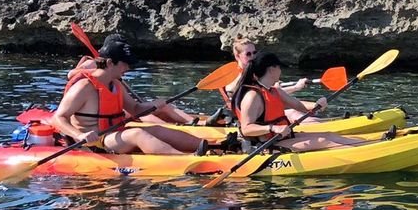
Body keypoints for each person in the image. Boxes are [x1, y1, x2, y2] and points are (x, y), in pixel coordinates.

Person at [49, 38, 207, 156]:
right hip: (95, 143)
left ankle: (214, 146)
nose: (128, 68)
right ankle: (185, 159)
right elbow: (58, 118)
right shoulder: (84, 87)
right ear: (110, 63)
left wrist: (155, 105)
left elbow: (135, 109)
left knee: (158, 130)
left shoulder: (115, 85)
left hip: (115, 135)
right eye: (124, 64)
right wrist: (79, 135)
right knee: (137, 134)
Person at [234, 52, 369, 153]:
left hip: (282, 138)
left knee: (329, 135)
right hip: (266, 146)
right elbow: (246, 129)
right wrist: (272, 128)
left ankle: (373, 146)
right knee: (324, 141)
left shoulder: (274, 91)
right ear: (271, 69)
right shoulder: (252, 96)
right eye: (279, 68)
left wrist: (317, 105)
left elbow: (299, 105)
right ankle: (366, 154)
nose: (281, 71)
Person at [66, 34, 201, 127]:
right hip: (98, 110)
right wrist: (101, 73)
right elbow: (72, 74)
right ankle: (171, 128)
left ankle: (195, 122)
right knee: (138, 114)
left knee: (162, 105)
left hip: (112, 106)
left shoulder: (115, 72)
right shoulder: (93, 64)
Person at [211, 37, 312, 125]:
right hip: (245, 119)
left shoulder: (255, 73)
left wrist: (281, 86)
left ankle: (319, 111)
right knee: (295, 113)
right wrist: (296, 87)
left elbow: (272, 92)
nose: (253, 57)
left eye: (254, 53)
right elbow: (266, 93)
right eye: (248, 54)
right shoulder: (236, 77)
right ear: (237, 56)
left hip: (262, 112)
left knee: (298, 112)